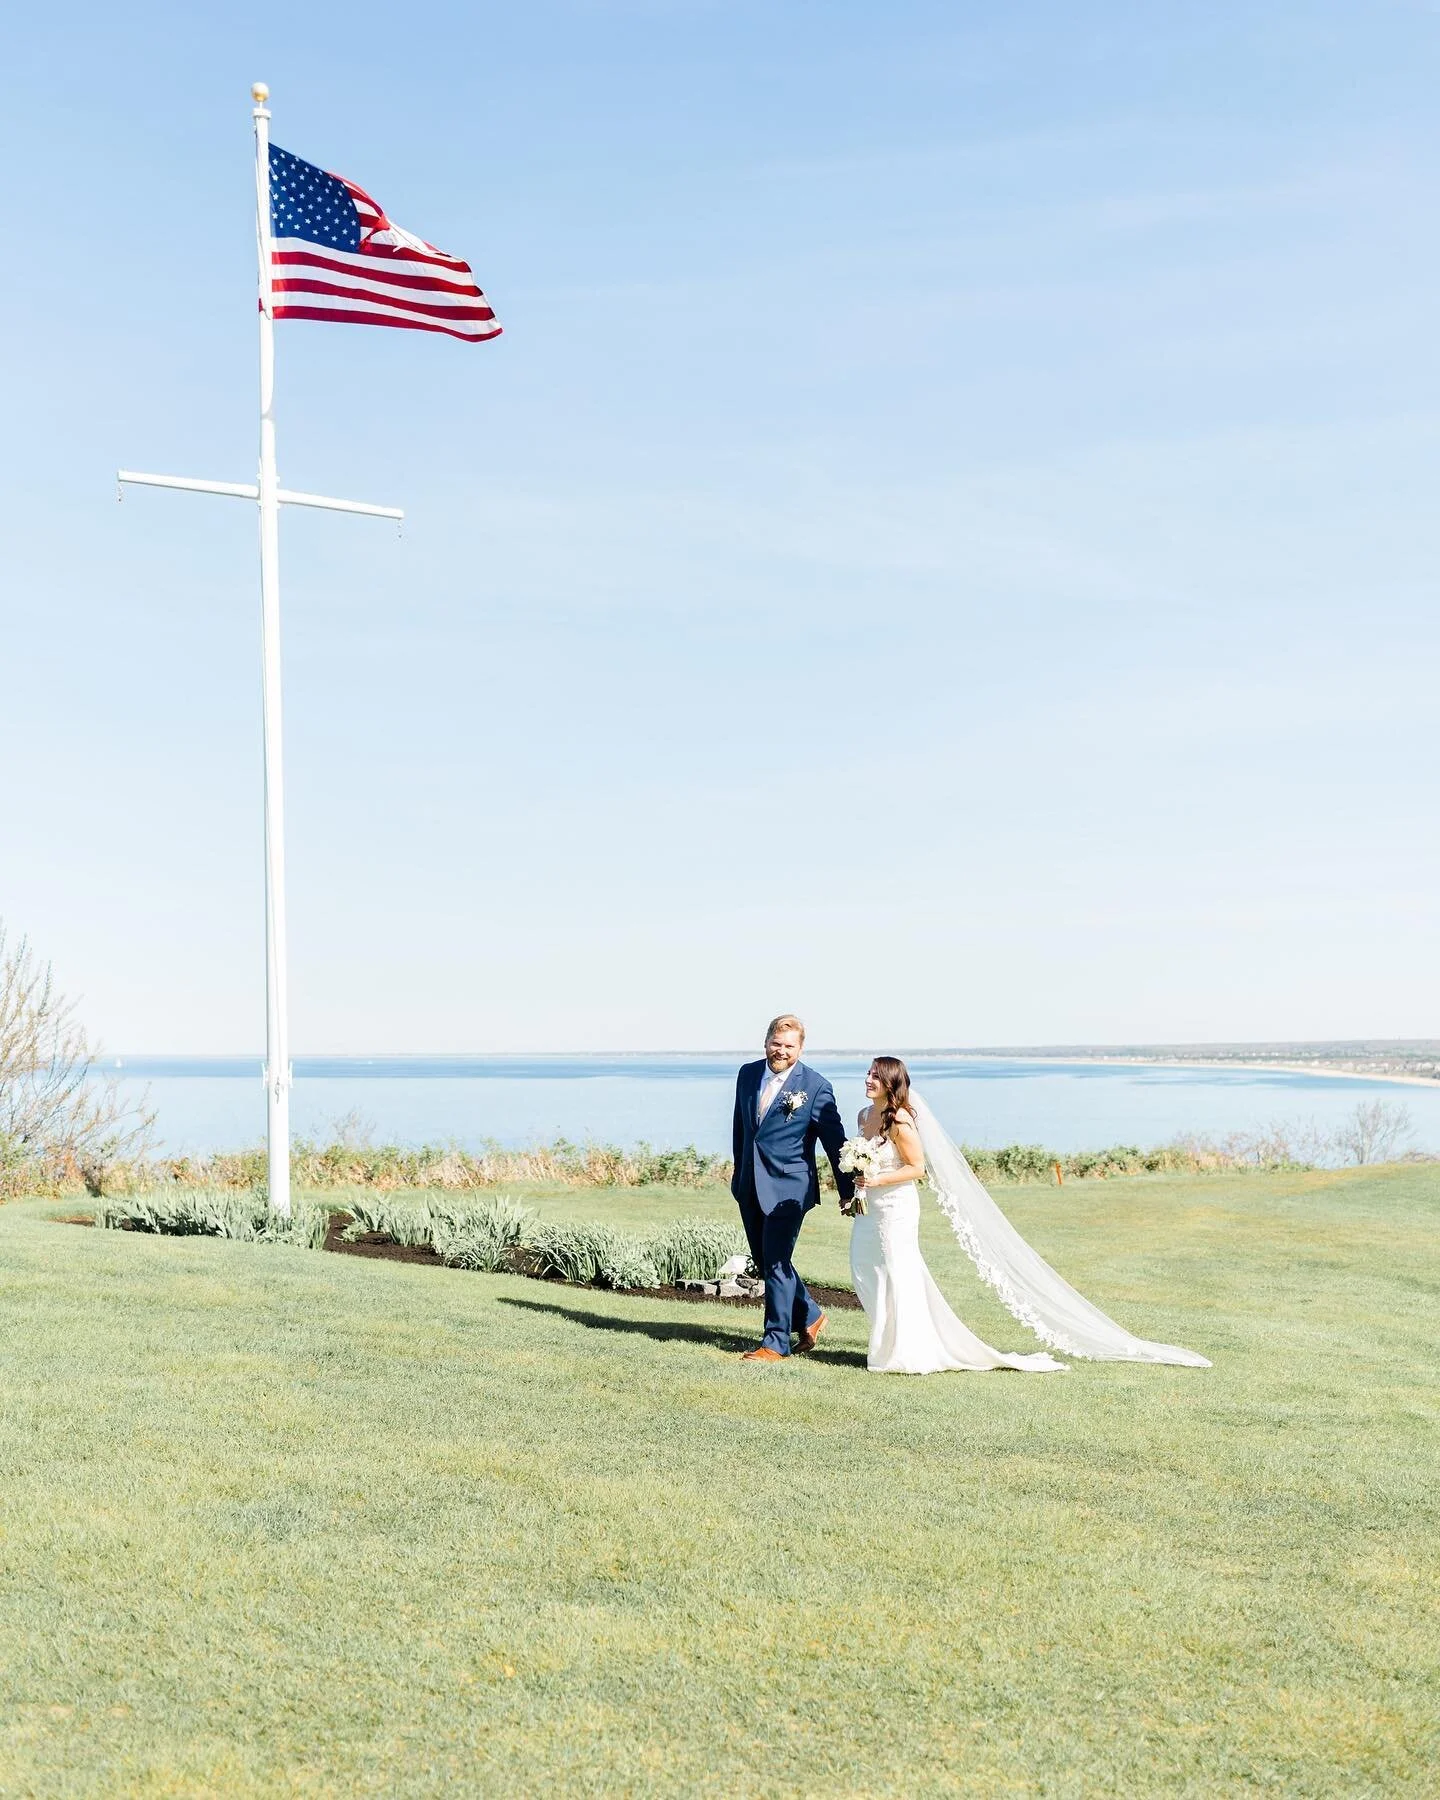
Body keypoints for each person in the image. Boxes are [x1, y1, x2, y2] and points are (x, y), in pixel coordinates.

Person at [847, 1055, 1210, 1374]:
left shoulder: (901, 1121)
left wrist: (877, 1179)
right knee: (866, 1269)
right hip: (870, 1206)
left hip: (896, 1208)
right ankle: (885, 1342)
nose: (867, 1079)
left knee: (899, 1272)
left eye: (875, 1075)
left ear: (891, 1083)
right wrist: (859, 1187)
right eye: (868, 1073)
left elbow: (917, 1169)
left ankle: (906, 1351)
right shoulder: (864, 1116)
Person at [731, 1014, 853, 1362]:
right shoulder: (747, 1074)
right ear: (766, 1042)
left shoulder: (815, 1086)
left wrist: (847, 1191)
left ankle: (775, 1343)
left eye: (788, 1046)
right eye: (776, 1043)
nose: (780, 1051)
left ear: (800, 1049)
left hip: (789, 1189)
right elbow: (741, 1129)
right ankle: (811, 1315)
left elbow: (835, 1142)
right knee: (765, 1259)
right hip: (749, 1184)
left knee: (776, 1263)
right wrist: (739, 1174)